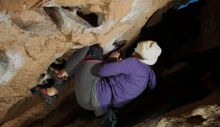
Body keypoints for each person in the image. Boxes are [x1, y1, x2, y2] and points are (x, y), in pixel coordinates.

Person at [32, 40, 162, 117]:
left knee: (93, 51)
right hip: (98, 105)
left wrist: (111, 60)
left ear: (137, 51)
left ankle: (61, 73)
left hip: (91, 95)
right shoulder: (146, 74)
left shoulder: (134, 63)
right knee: (89, 66)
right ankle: (51, 91)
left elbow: (101, 70)